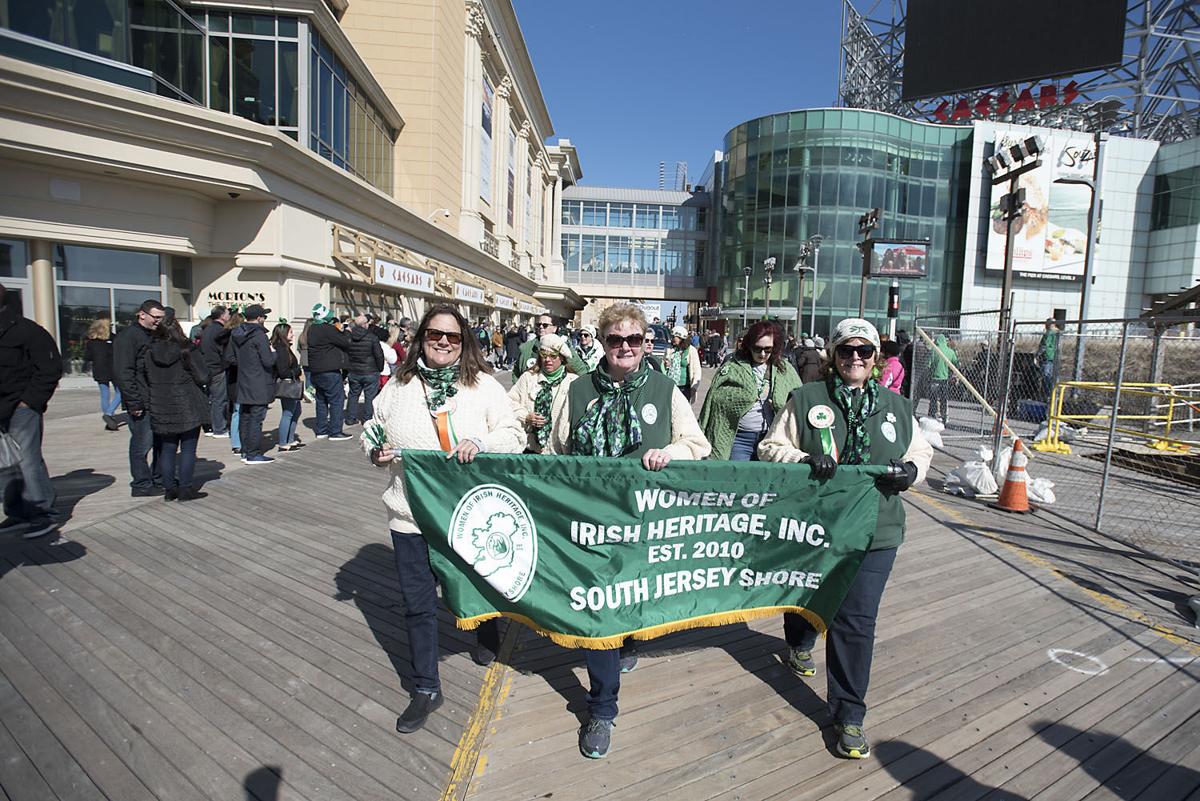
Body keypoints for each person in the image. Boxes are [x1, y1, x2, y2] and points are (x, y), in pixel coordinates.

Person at [759, 318, 932, 760]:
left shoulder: (897, 406)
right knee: (807, 597)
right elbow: (770, 447)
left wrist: (912, 470)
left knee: (856, 620)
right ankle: (798, 638)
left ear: (876, 360)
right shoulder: (806, 398)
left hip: (877, 529)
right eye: (846, 351)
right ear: (833, 357)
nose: (855, 358)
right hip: (815, 528)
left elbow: (920, 449)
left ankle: (849, 713)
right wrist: (803, 458)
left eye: (865, 352)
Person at [548, 303, 711, 759]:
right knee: (600, 612)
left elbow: (698, 444)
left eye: (633, 340)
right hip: (590, 521)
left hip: (644, 522)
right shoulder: (576, 390)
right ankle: (602, 708)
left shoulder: (665, 389)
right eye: (615, 339)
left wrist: (671, 454)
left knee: (633, 596)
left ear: (646, 344)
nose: (624, 347)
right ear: (601, 342)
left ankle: (631, 639)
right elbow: (554, 450)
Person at [364, 304, 524, 734]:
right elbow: (372, 428)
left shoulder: (483, 386)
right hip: (411, 516)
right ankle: (425, 687)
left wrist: (480, 441)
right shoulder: (399, 385)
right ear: (422, 337)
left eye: (453, 337)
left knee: (480, 582)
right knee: (418, 605)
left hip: (469, 517)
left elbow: (514, 433)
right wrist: (374, 452)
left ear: (464, 341)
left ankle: (487, 628)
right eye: (435, 334)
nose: (443, 342)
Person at [0, 282, 62, 539]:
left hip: (21, 407)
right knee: (7, 463)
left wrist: (29, 401)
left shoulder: (27, 331)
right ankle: (17, 512)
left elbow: (50, 368)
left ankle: (42, 513)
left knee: (27, 460)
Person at [698, 321, 801, 461]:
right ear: (749, 346)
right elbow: (716, 398)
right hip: (739, 439)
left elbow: (799, 399)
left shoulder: (785, 369)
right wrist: (740, 398)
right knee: (739, 480)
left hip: (773, 440)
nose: (763, 354)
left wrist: (780, 405)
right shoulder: (733, 366)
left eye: (768, 349)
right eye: (757, 349)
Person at [136, 316, 209, 501]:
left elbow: (142, 377)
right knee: (187, 448)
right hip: (187, 403)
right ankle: (185, 489)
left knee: (167, 449)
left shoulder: (149, 351)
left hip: (160, 403)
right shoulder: (186, 349)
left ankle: (169, 489)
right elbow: (202, 376)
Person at [114, 298, 166, 496]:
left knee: (158, 441)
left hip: (155, 397)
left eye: (161, 318)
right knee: (141, 444)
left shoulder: (151, 335)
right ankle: (141, 484)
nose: (158, 321)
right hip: (141, 399)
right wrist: (134, 401)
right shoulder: (128, 337)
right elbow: (123, 372)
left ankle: (158, 478)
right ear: (142, 314)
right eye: (156, 317)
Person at [507, 333, 580, 453]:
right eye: (544, 355)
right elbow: (509, 402)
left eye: (553, 356)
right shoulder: (528, 378)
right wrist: (526, 416)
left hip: (560, 453)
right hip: (530, 450)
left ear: (562, 357)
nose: (547, 360)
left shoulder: (573, 382)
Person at [230, 304, 277, 464]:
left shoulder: (236, 333)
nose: (264, 319)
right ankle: (253, 453)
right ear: (258, 318)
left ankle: (244, 450)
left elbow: (232, 357)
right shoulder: (259, 335)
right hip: (259, 382)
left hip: (243, 380)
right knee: (256, 419)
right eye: (264, 316)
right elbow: (268, 361)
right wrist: (273, 352)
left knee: (245, 417)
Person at [306, 303, 352, 441]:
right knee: (336, 400)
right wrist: (346, 330)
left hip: (316, 370)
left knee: (321, 400)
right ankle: (335, 431)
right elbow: (345, 342)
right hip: (330, 370)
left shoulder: (311, 329)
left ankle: (321, 430)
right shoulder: (327, 329)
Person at [513, 314, 586, 378]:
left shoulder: (563, 347)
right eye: (538, 325)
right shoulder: (526, 347)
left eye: (545, 325)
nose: (541, 327)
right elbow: (516, 372)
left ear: (555, 328)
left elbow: (581, 370)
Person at [345, 314, 384, 426]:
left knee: (353, 395)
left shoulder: (349, 337)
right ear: (365, 324)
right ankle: (367, 419)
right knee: (370, 396)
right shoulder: (372, 337)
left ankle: (350, 418)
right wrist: (380, 368)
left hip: (354, 370)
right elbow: (379, 355)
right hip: (370, 371)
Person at [199, 305, 232, 437]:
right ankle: (219, 428)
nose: (229, 315)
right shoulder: (219, 331)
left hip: (208, 368)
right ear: (222, 316)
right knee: (219, 399)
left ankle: (212, 426)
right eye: (228, 313)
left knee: (212, 399)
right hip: (217, 368)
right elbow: (223, 351)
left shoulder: (208, 329)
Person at [83, 317, 121, 431]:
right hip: (113, 369)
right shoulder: (114, 339)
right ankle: (109, 414)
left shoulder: (91, 342)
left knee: (105, 394)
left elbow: (88, 357)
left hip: (99, 369)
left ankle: (108, 417)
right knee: (121, 392)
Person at [272, 323, 305, 453]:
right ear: (283, 334)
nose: (293, 334)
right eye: (290, 332)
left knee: (296, 411)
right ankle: (283, 442)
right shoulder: (281, 349)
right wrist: (297, 371)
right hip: (288, 384)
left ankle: (290, 439)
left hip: (292, 383)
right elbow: (283, 371)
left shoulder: (286, 348)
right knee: (288, 413)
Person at [662, 325, 702, 402]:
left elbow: (697, 370)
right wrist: (666, 365)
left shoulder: (691, 350)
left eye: (675, 337)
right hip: (671, 386)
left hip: (685, 388)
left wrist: (694, 387)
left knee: (683, 411)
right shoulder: (669, 349)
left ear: (681, 338)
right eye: (672, 337)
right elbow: (663, 366)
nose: (673, 339)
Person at [925, 334, 958, 424]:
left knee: (933, 399)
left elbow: (928, 365)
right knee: (944, 399)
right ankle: (944, 416)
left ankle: (932, 415)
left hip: (934, 378)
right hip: (945, 379)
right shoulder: (950, 352)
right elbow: (956, 363)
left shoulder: (934, 351)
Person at [1037, 317, 1060, 399]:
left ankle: (1047, 395)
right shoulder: (1058, 333)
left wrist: (1037, 354)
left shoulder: (1049, 333)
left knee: (1046, 377)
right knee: (1053, 377)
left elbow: (1044, 345)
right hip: (1055, 357)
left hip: (1047, 356)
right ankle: (1054, 394)